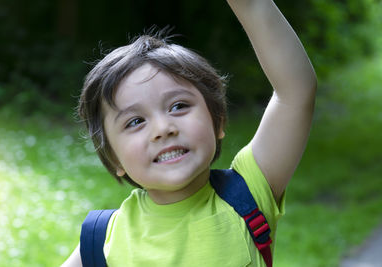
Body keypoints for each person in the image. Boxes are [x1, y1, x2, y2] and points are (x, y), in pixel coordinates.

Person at [62, 0, 317, 266]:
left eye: (179, 106)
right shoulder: (100, 242)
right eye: (135, 121)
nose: (163, 129)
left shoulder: (250, 191)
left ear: (217, 121)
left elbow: (296, 91)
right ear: (114, 158)